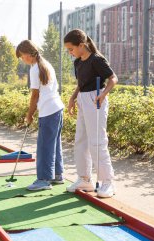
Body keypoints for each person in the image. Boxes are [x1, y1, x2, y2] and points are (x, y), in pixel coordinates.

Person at [63, 29, 118, 198]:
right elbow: (81, 83)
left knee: (97, 142)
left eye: (71, 49)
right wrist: (73, 98)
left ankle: (107, 182)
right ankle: (84, 179)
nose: (70, 53)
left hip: (96, 99)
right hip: (83, 98)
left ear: (81, 45)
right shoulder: (78, 62)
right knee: (81, 140)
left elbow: (113, 78)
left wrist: (103, 94)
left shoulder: (97, 60)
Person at [16, 40, 64, 191]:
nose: (23, 60)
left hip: (48, 111)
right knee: (54, 144)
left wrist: (29, 114)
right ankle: (57, 175)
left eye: (22, 56)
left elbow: (35, 95)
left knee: (44, 146)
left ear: (29, 54)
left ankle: (43, 180)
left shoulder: (35, 68)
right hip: (57, 109)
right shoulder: (46, 64)